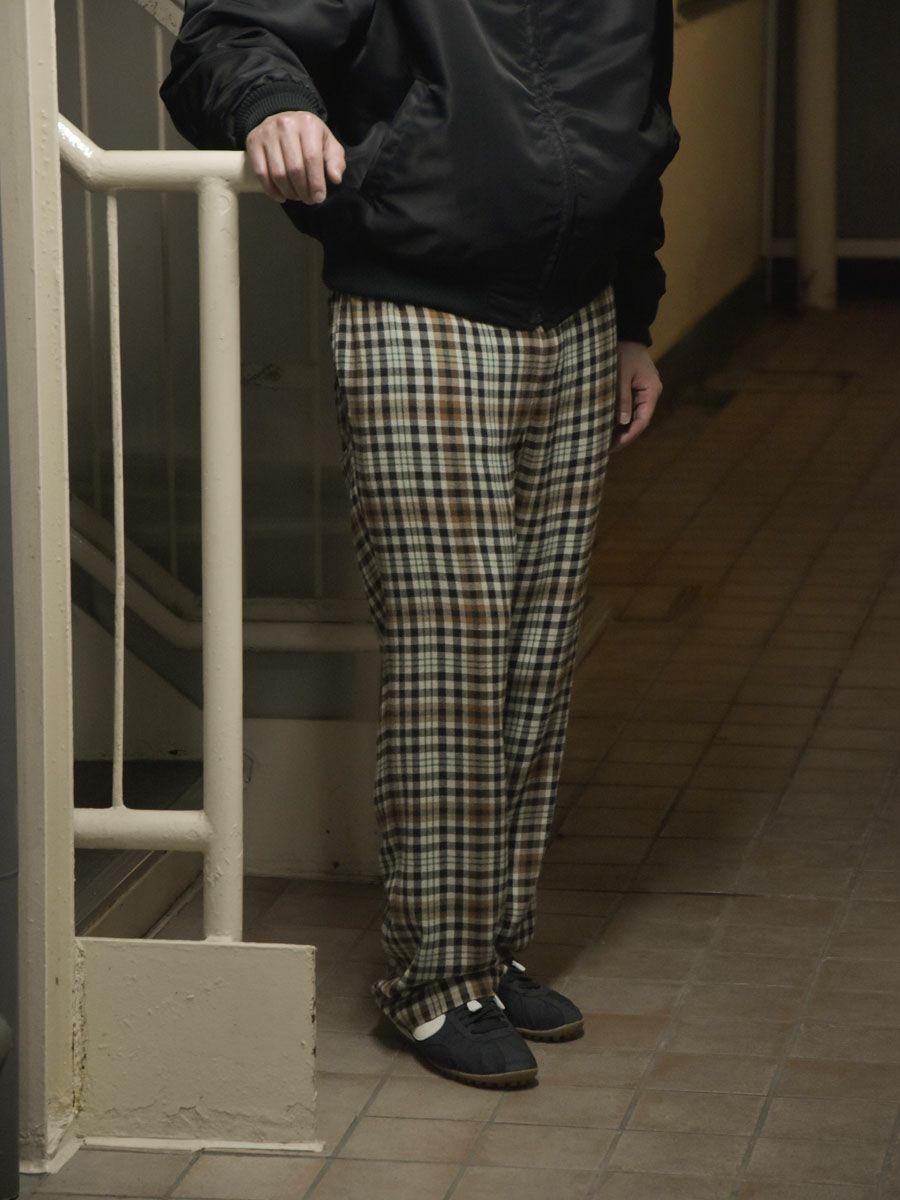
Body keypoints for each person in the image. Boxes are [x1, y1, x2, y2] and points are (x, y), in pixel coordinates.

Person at [161, 0, 680, 1090]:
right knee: (453, 653)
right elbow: (227, 33)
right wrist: (274, 105)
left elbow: (637, 125)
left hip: (582, 319)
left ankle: (492, 952)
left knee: (536, 654)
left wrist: (636, 319)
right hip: (421, 306)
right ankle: (435, 983)